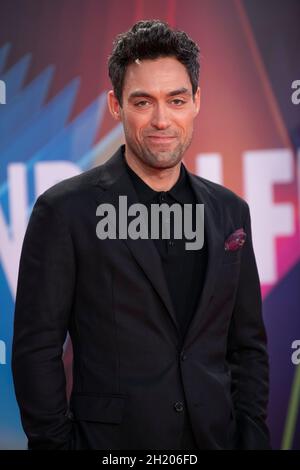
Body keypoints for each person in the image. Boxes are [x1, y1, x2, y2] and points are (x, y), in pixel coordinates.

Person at [12, 19, 270, 450]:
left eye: (176, 99)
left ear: (196, 102)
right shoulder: (65, 211)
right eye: (142, 102)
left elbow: (248, 347)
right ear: (116, 105)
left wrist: (251, 436)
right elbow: (35, 351)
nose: (161, 119)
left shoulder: (230, 212)